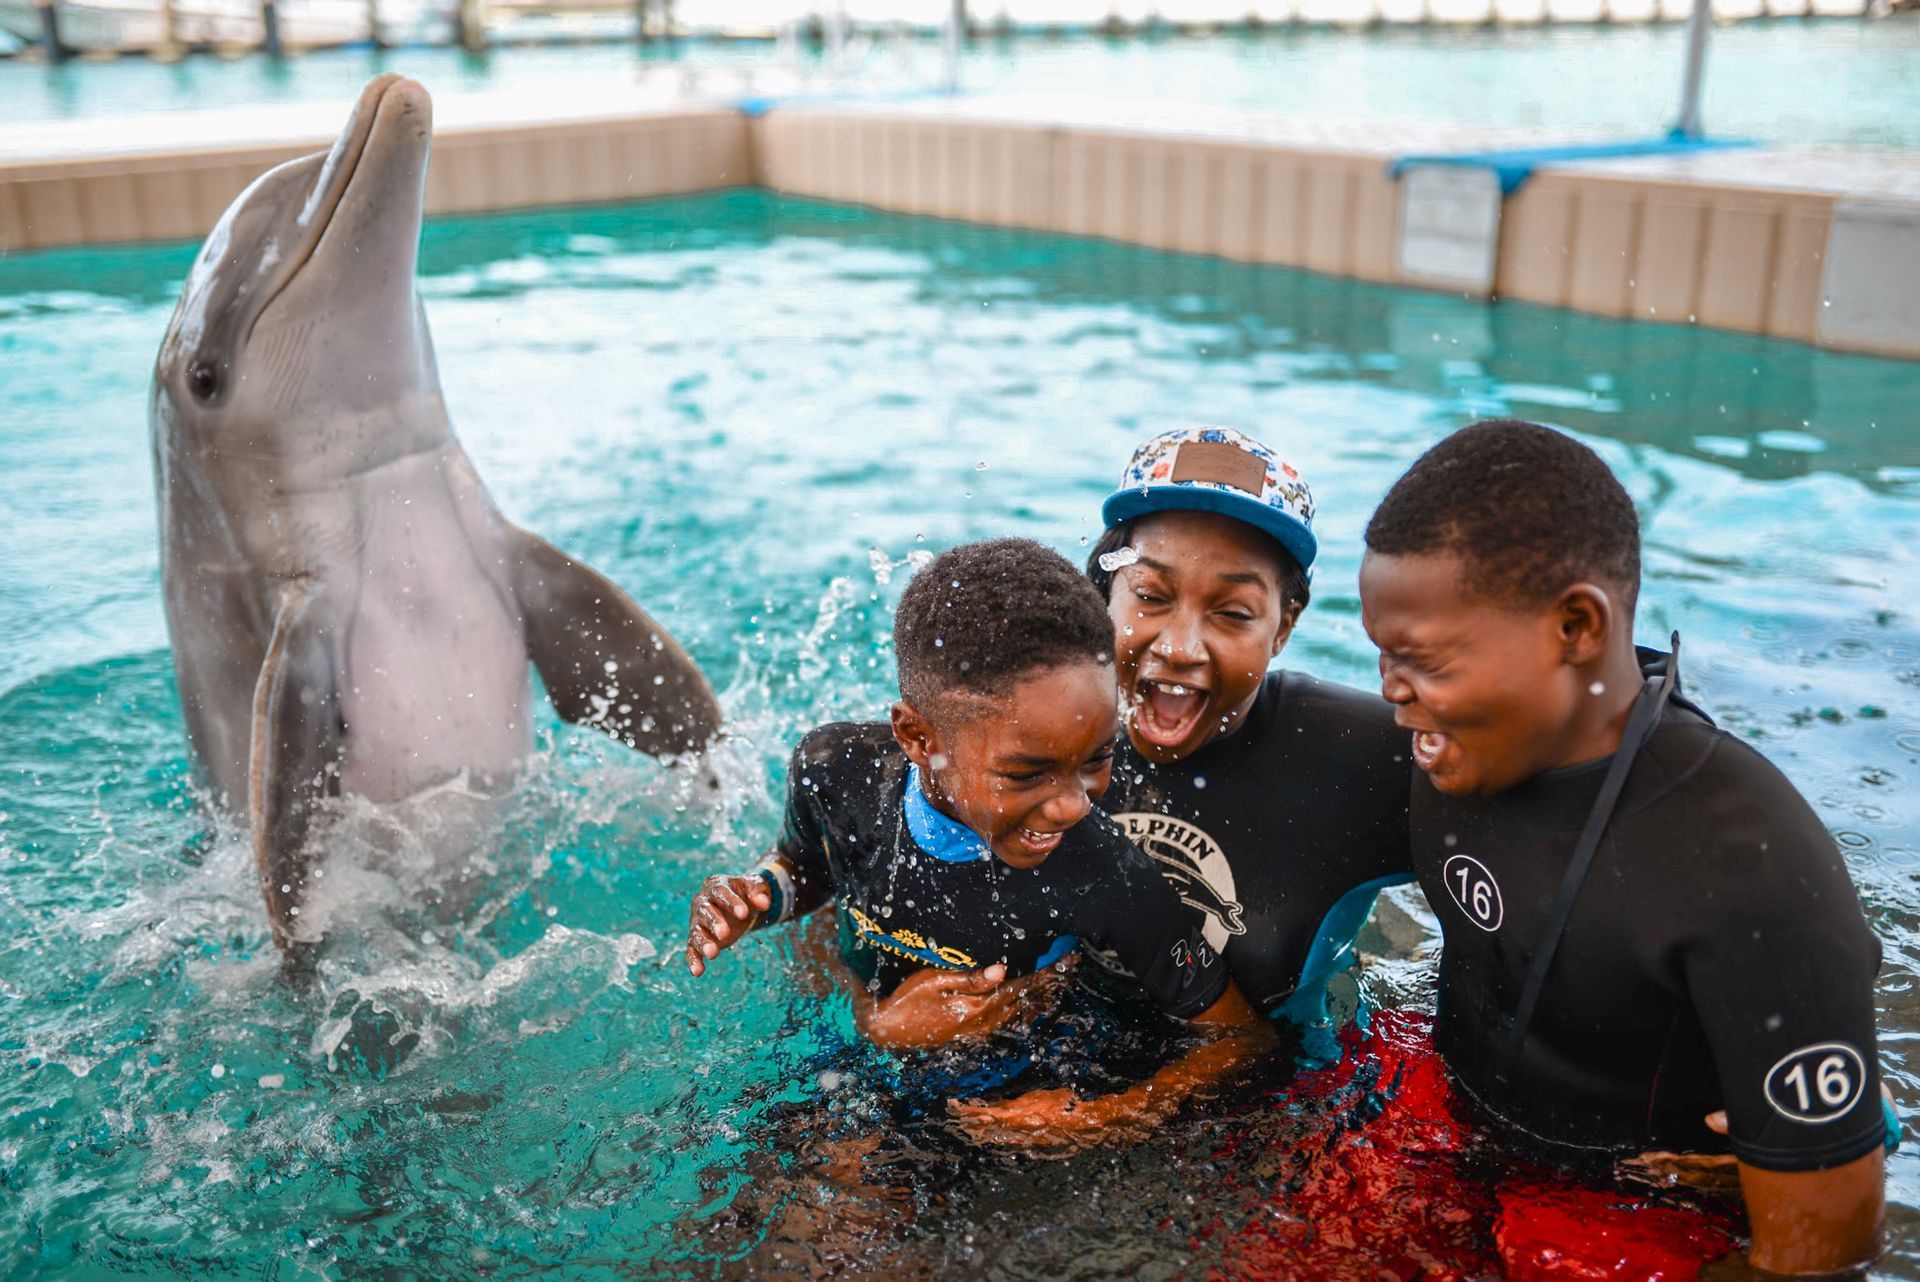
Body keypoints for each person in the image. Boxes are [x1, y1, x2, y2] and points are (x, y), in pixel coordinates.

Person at [1357, 418, 1888, 1275]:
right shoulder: (1449, 744)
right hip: (1444, 1118)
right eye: (1381, 654)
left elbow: (1826, 1247)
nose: (1392, 695)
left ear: (1576, 628)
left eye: (1424, 662)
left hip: (1641, 1202)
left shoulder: (1744, 859)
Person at [684, 537, 1273, 1143]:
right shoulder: (834, 768)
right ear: (916, 735)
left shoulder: (1100, 870)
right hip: (845, 1030)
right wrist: (755, 898)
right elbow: (808, 867)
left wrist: (1108, 1116)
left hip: (988, 1086)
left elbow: (1240, 1039)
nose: (1073, 804)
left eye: (1098, 758)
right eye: (1025, 773)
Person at [872, 427, 1417, 1062]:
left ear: (1284, 628)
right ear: (1102, 594)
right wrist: (873, 1015)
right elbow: (868, 866)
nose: (1180, 647)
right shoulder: (1024, 729)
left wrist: (1112, 1118)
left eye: (1234, 613)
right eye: (1151, 597)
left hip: (1272, 1096)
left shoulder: (1358, 756)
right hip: (1041, 1065)